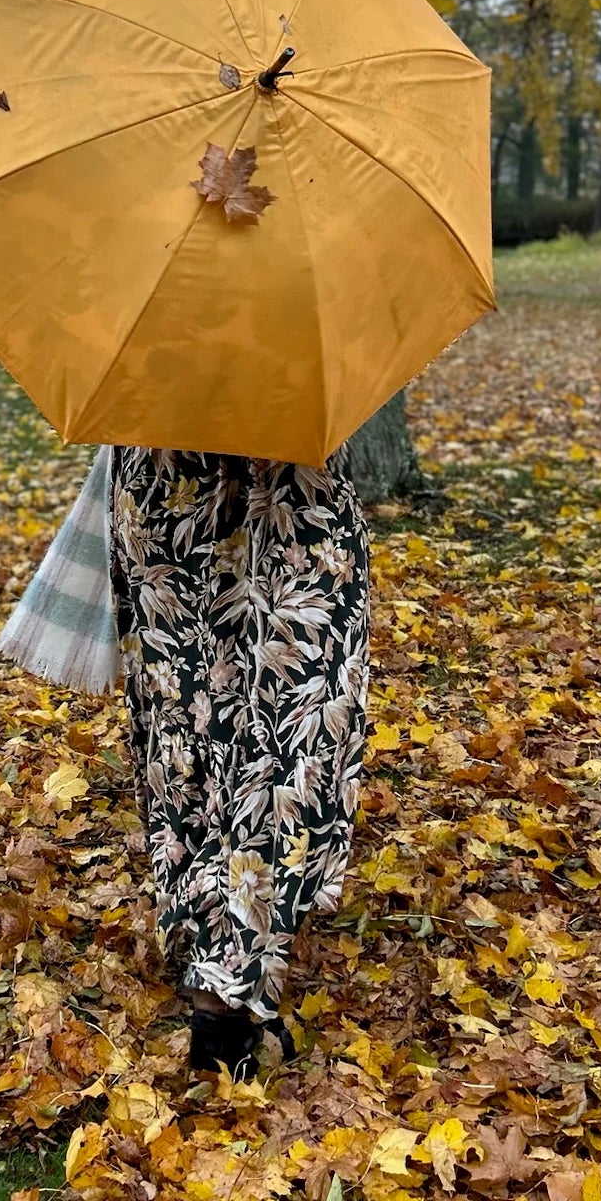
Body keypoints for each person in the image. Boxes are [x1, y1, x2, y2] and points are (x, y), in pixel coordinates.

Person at [107, 446, 371, 1079]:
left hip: (180, 487)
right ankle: (223, 991)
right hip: (273, 494)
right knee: (279, 740)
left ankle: (224, 963)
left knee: (205, 730)